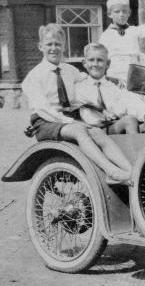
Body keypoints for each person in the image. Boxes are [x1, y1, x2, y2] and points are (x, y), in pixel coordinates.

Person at [22, 24, 132, 185]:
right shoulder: (34, 76)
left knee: (97, 132)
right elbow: (43, 108)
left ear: (64, 46)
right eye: (49, 44)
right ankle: (110, 171)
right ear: (41, 47)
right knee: (81, 131)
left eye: (58, 44)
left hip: (68, 119)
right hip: (45, 121)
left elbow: (87, 77)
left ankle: (131, 170)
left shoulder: (69, 70)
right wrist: (70, 122)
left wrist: (109, 78)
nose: (54, 48)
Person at [75, 43, 142, 134]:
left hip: (113, 127)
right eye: (91, 60)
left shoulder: (116, 85)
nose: (95, 64)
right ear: (84, 63)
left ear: (108, 64)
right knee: (129, 121)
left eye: (100, 60)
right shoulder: (79, 87)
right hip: (93, 131)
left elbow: (126, 105)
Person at [98, 0, 145, 84]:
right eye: (117, 12)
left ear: (129, 13)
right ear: (109, 14)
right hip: (115, 78)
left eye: (124, 11)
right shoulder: (106, 35)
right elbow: (101, 58)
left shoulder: (134, 30)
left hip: (134, 76)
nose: (121, 15)